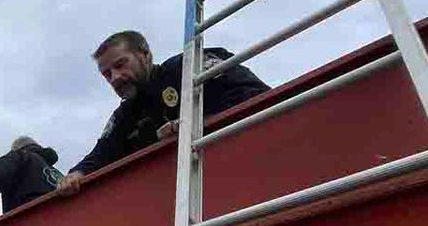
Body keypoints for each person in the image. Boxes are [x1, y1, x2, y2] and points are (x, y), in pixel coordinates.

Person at [57, 30, 270, 195]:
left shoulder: (187, 66)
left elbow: (253, 93)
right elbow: (100, 155)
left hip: (254, 169)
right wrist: (75, 174)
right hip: (182, 201)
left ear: (145, 54)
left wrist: (194, 123)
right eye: (107, 74)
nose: (115, 77)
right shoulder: (125, 115)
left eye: (120, 65)